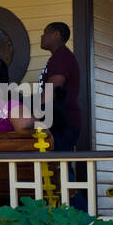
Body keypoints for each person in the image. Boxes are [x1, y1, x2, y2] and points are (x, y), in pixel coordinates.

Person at [39, 22, 82, 150]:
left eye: (45, 32)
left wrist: (35, 114)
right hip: (60, 120)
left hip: (63, 122)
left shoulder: (61, 56)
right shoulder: (58, 56)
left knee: (60, 165)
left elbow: (53, 89)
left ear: (56, 35)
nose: (42, 36)